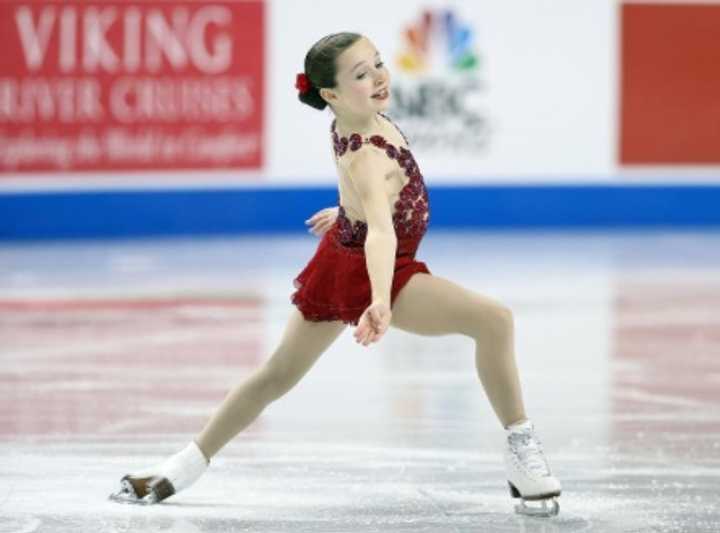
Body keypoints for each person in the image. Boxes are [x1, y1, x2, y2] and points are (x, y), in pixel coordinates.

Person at [110, 32, 562, 518]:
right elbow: (382, 234)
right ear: (330, 94)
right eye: (361, 74)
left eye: (378, 64)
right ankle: (523, 455)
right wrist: (383, 299)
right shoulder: (368, 154)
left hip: (342, 254)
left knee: (275, 375)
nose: (379, 77)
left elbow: (366, 201)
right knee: (494, 321)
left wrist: (346, 210)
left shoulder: (350, 121)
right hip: (378, 269)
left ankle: (180, 470)